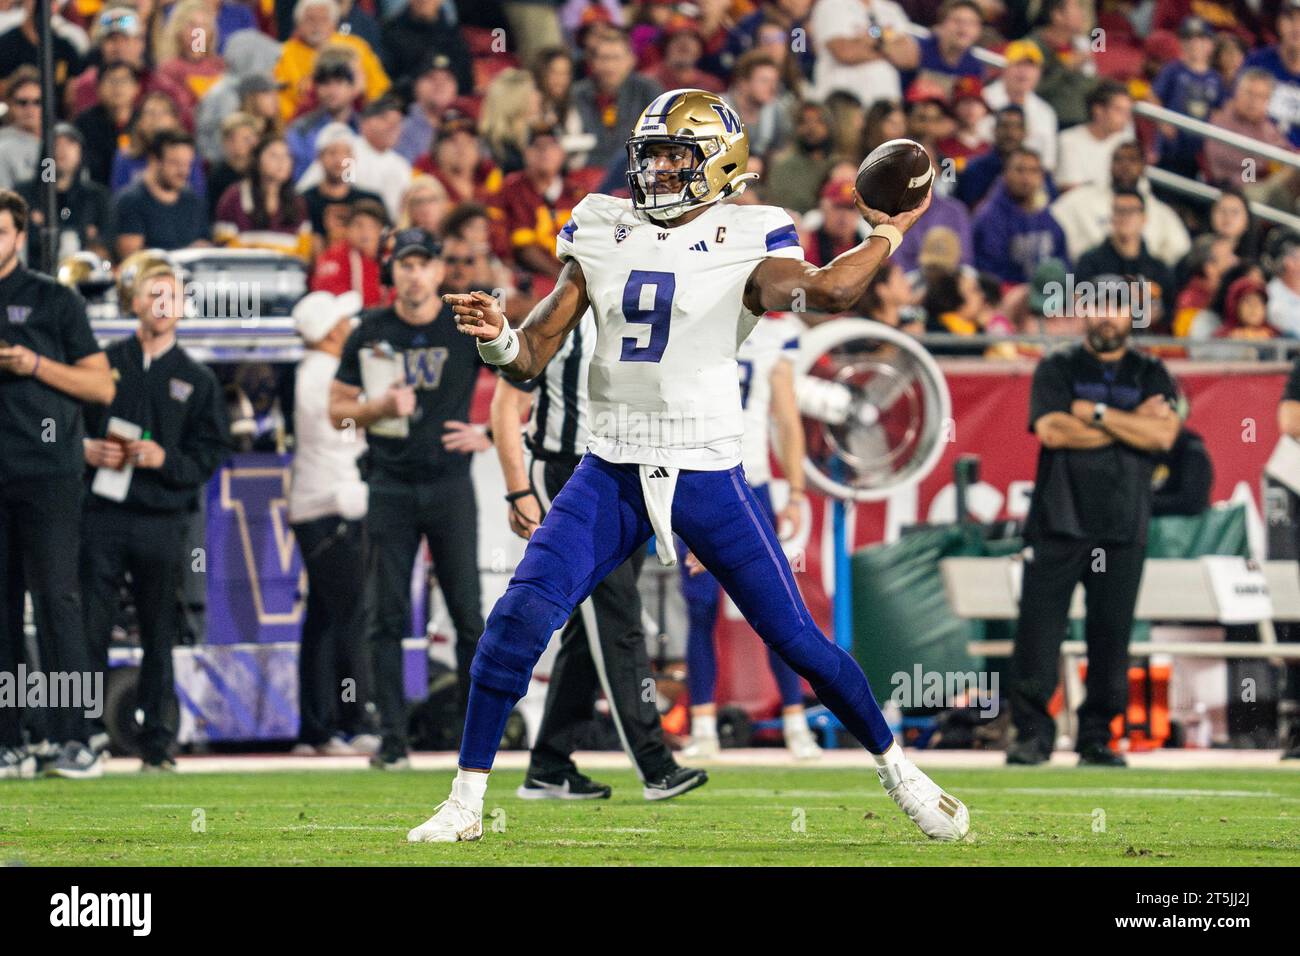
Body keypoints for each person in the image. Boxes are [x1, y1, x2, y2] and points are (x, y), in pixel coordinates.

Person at [407, 89, 968, 844]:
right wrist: (497, 336)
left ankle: (903, 773)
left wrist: (887, 234)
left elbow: (832, 289)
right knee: (516, 621)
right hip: (610, 467)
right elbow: (532, 353)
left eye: (676, 155)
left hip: (706, 468)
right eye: (653, 155)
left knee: (798, 640)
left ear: (721, 161)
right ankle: (466, 803)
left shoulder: (752, 232)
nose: (660, 169)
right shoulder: (602, 224)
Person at [488, 308, 707, 800]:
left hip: (627, 472)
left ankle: (549, 763)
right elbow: (506, 405)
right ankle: (655, 763)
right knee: (619, 616)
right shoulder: (558, 316)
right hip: (567, 474)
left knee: (589, 636)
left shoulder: (644, 308)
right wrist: (517, 490)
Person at [328, 228, 486, 770]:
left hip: (448, 483)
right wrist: (377, 409)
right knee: (385, 614)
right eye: (405, 264)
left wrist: (487, 432)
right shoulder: (371, 329)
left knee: (468, 612)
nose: (414, 274)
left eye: (423, 264)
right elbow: (337, 412)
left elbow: (524, 376)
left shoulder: (461, 323)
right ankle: (392, 739)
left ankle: (475, 739)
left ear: (439, 271)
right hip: (390, 484)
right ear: (391, 271)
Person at [1007, 293, 1179, 767]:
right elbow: (1053, 431)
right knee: (1038, 635)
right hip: (1057, 520)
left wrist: (1096, 414)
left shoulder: (1152, 372)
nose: (1108, 316)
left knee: (1111, 636)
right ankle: (1031, 737)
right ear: (1085, 313)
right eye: (1099, 306)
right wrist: (1130, 425)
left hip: (1123, 525)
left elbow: (1164, 435)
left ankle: (1098, 737)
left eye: (1118, 307)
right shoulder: (1057, 367)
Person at [80, 256, 229, 772]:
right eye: (151, 294)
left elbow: (211, 454)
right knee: (89, 628)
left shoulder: (197, 378)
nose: (161, 305)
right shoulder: (102, 362)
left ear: (182, 306)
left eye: (170, 295)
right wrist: (84, 449)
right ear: (134, 301)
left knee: (159, 631)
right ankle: (85, 737)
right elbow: (72, 421)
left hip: (162, 520)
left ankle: (158, 744)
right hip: (102, 514)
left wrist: (168, 461)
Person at [0, 190, 115, 780]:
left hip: (47, 474)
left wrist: (33, 364)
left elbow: (101, 387)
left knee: (57, 602)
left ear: (19, 236)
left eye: (1, 232)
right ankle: (9, 739)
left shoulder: (53, 298)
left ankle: (80, 737)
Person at [677, 314, 822, 761]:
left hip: (750, 480)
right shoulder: (703, 301)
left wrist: (795, 490)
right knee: (700, 604)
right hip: (695, 473)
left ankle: (795, 719)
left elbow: (785, 414)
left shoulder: (779, 329)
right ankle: (702, 723)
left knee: (772, 601)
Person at [288, 289, 376, 756]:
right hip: (332, 507)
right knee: (350, 617)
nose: (351, 326)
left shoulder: (311, 372)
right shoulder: (323, 374)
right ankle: (354, 720)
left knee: (322, 619)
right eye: (343, 322)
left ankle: (316, 728)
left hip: (319, 504)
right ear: (329, 333)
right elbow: (349, 430)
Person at [1074, 189, 1176, 334]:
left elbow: (1169, 313)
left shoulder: (1159, 269)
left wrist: (1158, 315)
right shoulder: (1090, 263)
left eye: (1132, 211)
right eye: (1119, 211)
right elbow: (1079, 307)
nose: (1125, 217)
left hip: (1146, 343)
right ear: (1111, 217)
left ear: (1144, 218)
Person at [971, 148, 1069, 285]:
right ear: (1005, 173)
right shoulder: (989, 217)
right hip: (1006, 299)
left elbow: (1063, 264)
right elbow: (990, 275)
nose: (1026, 178)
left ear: (1042, 176)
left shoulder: (1047, 216)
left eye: (1033, 171)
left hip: (1047, 296)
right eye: (1020, 170)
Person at [213, 135, 313, 261]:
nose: (282, 162)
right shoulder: (234, 198)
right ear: (257, 161)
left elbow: (304, 256)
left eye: (287, 156)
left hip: (286, 278)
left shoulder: (298, 204)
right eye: (273, 156)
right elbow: (223, 249)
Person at [113, 129, 211, 258]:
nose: (183, 171)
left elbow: (203, 243)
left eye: (188, 164)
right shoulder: (130, 201)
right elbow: (132, 257)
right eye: (175, 163)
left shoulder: (191, 199)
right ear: (154, 161)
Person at [809, 0, 919, 104]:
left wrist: (867, 42)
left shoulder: (891, 10)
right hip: (843, 103)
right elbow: (845, 52)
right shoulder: (830, 5)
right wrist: (890, 46)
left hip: (885, 104)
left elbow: (910, 58)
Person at [1054, 81, 1134, 192]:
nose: (1126, 118)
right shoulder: (1068, 140)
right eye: (1119, 110)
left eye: (1127, 112)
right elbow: (1069, 189)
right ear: (1098, 110)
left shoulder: (1127, 142)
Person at [310, 196, 388, 306]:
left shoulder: (389, 258)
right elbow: (325, 297)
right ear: (348, 229)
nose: (366, 232)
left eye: (373, 226)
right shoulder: (333, 257)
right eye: (359, 225)